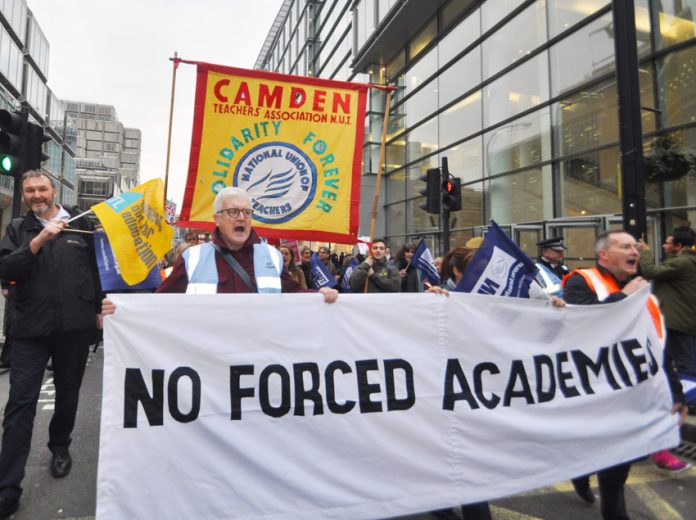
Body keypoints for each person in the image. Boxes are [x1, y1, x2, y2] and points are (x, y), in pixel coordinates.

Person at [0, 171, 103, 519]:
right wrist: (39, 240)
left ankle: (60, 446)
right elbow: (6, 270)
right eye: (29, 190)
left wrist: (101, 307)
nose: (36, 195)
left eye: (41, 188)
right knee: (19, 405)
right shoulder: (18, 228)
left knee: (68, 393)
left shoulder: (82, 224)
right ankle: (8, 485)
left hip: (74, 328)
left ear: (54, 190)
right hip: (29, 329)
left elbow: (101, 270)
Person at [564, 230, 687, 519]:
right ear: (603, 255)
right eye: (625, 246)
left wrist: (675, 390)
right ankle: (581, 475)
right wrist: (623, 297)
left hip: (631, 393)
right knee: (598, 453)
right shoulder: (583, 281)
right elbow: (581, 324)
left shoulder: (643, 289)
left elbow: (656, 344)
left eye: (636, 246)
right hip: (593, 392)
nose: (635, 251)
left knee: (618, 465)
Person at [103, 187, 337, 303]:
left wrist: (320, 294)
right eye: (233, 212)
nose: (242, 218)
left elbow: (293, 294)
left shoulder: (272, 256)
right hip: (208, 366)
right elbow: (161, 303)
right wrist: (122, 310)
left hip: (258, 362)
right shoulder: (192, 258)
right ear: (217, 218)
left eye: (246, 212)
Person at [638, 225, 696, 471]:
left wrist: (645, 251)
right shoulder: (684, 262)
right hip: (679, 322)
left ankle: (681, 404)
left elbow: (651, 270)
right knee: (679, 368)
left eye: (668, 242)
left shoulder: (682, 263)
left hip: (677, 324)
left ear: (679, 246)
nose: (664, 245)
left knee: (685, 370)